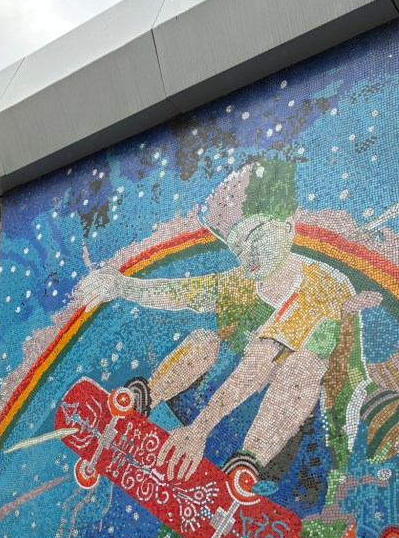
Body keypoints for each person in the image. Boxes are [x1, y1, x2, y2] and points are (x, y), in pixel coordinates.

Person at [76, 159, 381, 483]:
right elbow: (182, 293)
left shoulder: (323, 285)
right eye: (236, 247)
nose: (248, 255)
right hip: (225, 407)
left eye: (256, 237)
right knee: (205, 341)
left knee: (301, 366)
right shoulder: (240, 285)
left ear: (288, 227)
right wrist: (123, 286)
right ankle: (144, 399)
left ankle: (246, 465)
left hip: (293, 436)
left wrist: (199, 430)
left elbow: (261, 362)